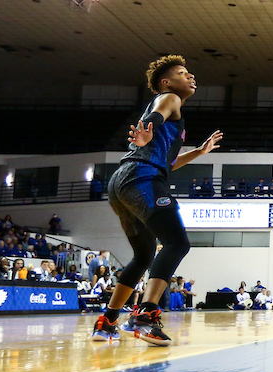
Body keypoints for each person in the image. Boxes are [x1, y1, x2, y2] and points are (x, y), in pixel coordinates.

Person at [91, 56, 223, 345]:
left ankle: (107, 322)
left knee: (143, 256)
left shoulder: (173, 113)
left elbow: (169, 163)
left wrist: (198, 152)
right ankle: (146, 315)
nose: (189, 76)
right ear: (167, 82)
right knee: (177, 242)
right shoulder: (170, 98)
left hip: (123, 182)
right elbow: (156, 116)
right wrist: (146, 130)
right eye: (182, 73)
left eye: (189, 72)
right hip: (141, 178)